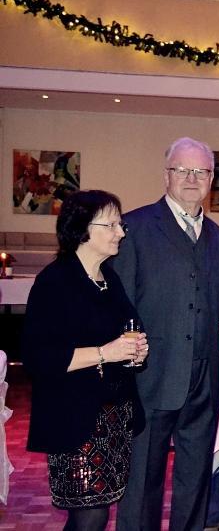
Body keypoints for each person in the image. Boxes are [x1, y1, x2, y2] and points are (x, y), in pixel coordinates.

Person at [114, 137, 219, 531]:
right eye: (183, 170)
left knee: (195, 480)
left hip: (203, 379)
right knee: (142, 480)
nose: (192, 178)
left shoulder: (218, 236)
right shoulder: (135, 228)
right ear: (166, 175)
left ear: (211, 179)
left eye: (201, 171)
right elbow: (120, 305)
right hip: (151, 376)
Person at [23, 190, 149, 531]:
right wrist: (107, 352)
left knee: (95, 512)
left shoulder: (109, 279)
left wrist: (136, 352)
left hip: (113, 419)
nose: (121, 232)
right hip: (75, 418)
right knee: (90, 514)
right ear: (82, 230)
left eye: (120, 225)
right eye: (111, 225)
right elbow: (39, 356)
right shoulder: (55, 281)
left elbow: (127, 332)